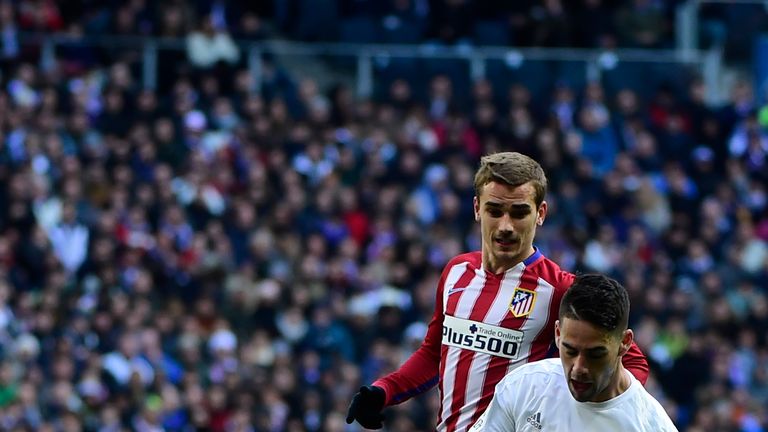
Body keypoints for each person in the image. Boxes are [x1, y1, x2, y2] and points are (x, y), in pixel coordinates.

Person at [346, 152, 649, 432]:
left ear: (540, 213)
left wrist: (586, 415)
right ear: (477, 208)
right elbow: (434, 353)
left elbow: (632, 364)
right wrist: (384, 390)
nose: (506, 226)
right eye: (495, 210)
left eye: (519, 213)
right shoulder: (456, 272)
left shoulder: (559, 289)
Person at [469, 273, 677, 431]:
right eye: (570, 350)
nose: (579, 368)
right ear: (558, 334)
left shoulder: (652, 425)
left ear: (625, 342)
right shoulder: (522, 388)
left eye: (595, 354)